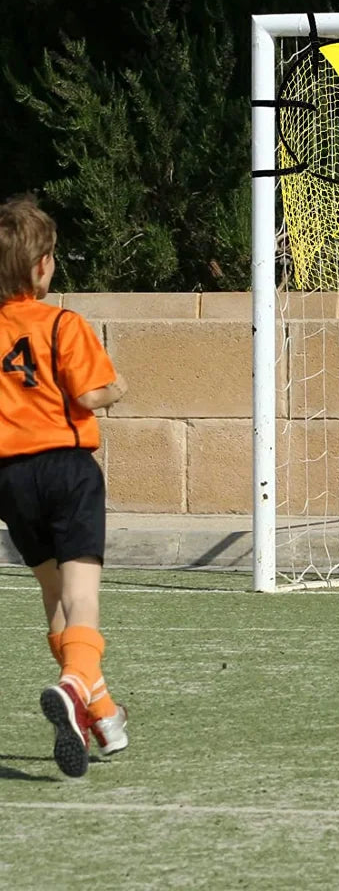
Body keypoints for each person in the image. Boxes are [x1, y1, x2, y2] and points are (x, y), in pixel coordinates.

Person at [0, 194, 128, 776]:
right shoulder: (62, 324)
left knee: (54, 598)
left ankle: (101, 714)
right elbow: (90, 392)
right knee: (82, 599)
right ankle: (76, 684)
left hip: (9, 478)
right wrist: (116, 388)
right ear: (43, 265)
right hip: (67, 470)